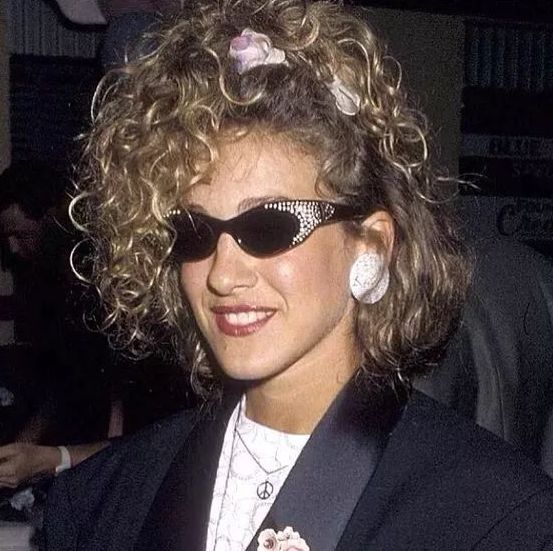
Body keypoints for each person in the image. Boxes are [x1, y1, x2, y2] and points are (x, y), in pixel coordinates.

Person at [42, 0, 553, 549]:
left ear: (371, 245)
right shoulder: (99, 502)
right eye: (194, 232)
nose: (222, 276)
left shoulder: (498, 518)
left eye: (268, 226)